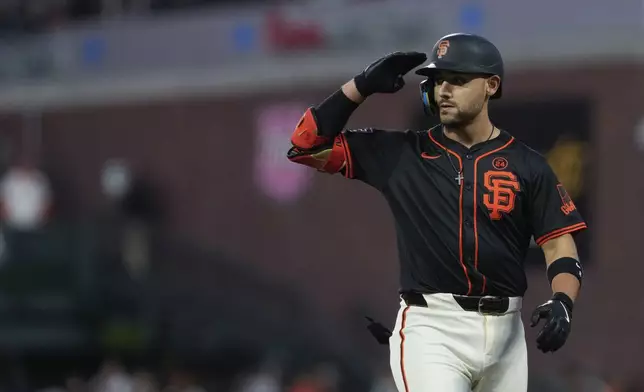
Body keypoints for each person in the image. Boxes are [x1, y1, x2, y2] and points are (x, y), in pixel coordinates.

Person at [286, 32, 587, 392]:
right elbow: (305, 146)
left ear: (491, 85)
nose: (444, 89)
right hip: (432, 327)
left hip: (507, 332)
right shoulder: (401, 154)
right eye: (438, 80)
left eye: (458, 80)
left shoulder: (528, 165)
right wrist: (361, 86)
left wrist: (563, 301)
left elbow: (560, 246)